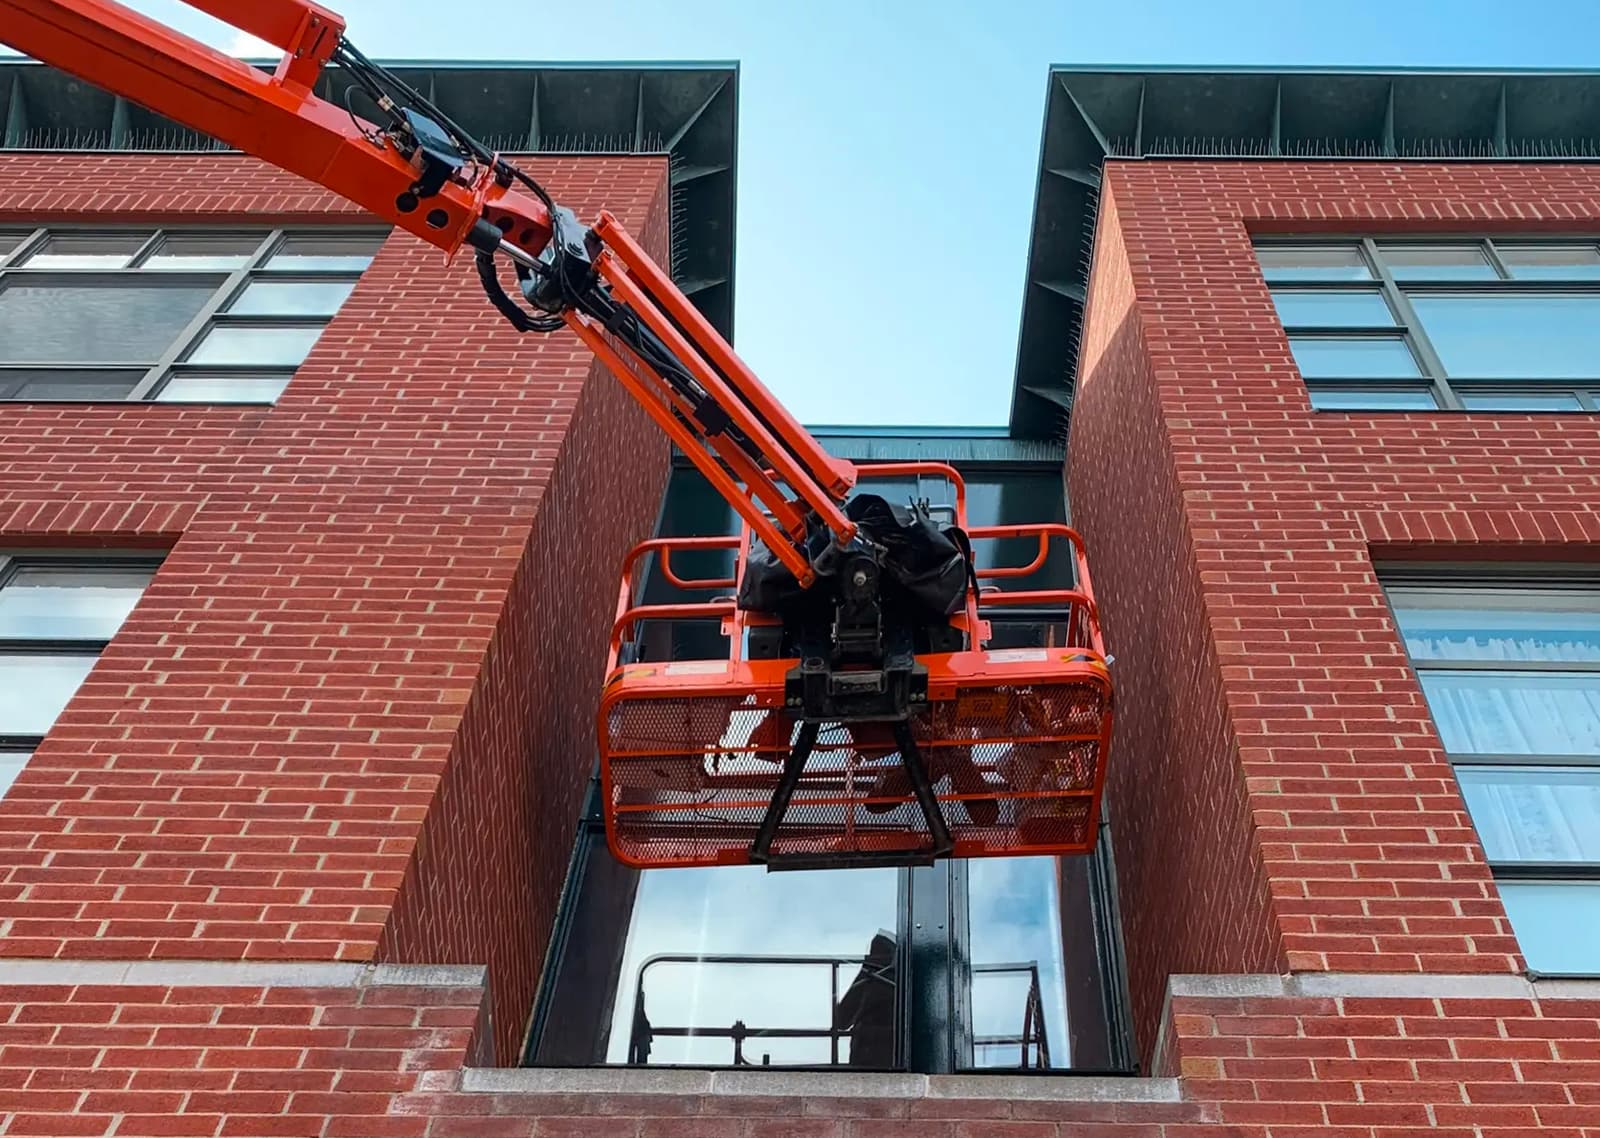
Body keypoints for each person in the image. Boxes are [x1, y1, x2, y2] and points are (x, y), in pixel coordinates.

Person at [833, 930, 897, 1067]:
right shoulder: (903, 980)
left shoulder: (871, 977)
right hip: (887, 1055)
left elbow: (842, 1019)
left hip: (868, 1051)